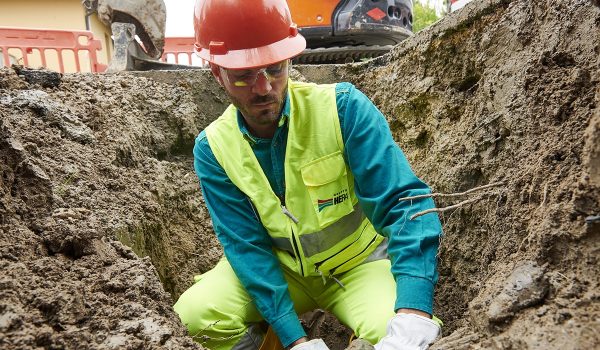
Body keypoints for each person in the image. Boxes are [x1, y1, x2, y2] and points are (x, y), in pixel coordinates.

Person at [174, 0, 443, 349]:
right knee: (196, 318)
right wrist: (294, 340)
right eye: (244, 75)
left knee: (398, 333)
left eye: (274, 69)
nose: (263, 88)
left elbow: (404, 204)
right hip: (281, 272)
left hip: (356, 266)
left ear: (289, 59)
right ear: (216, 72)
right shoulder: (213, 148)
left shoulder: (343, 109)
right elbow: (247, 247)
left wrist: (414, 311)